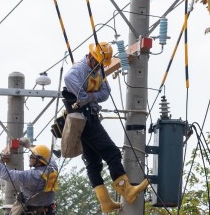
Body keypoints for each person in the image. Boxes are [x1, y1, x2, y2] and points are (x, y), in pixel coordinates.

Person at [63, 42, 149, 212]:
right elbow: (69, 81)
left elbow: (105, 93)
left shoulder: (99, 70)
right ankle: (127, 191)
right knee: (112, 153)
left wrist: (89, 97)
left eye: (102, 64)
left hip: (87, 116)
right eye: (98, 63)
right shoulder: (77, 71)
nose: (100, 67)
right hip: (84, 119)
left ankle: (105, 202)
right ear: (91, 57)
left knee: (93, 163)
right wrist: (87, 97)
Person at [0, 144, 58, 214]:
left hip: (31, 210)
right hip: (47, 210)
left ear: (39, 161)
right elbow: (47, 156)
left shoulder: (32, 176)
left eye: (32, 156)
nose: (30, 157)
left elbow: (6, 174)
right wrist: (28, 145)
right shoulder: (53, 168)